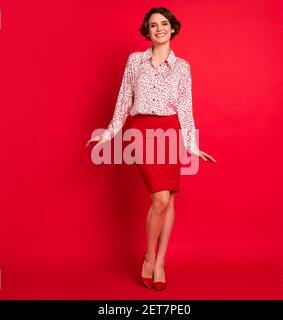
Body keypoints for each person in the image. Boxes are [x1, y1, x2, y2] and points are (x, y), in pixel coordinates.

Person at [85, 7, 216, 291]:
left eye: (164, 24)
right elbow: (123, 101)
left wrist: (191, 145)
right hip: (142, 132)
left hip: (170, 131)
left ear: (172, 28)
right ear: (148, 31)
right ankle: (149, 256)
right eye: (153, 25)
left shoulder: (183, 67)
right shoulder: (135, 61)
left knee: (168, 200)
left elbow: (185, 107)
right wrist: (108, 134)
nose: (159, 28)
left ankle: (159, 263)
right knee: (160, 199)